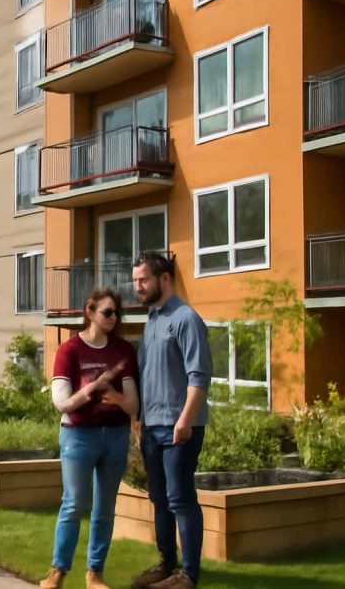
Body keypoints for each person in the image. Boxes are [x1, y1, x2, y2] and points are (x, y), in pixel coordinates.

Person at [40, 288, 139, 589]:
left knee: (105, 506)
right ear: (90, 312)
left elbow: (134, 406)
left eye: (116, 313)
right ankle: (57, 572)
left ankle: (95, 573)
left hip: (115, 436)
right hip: (77, 436)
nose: (113, 318)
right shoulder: (69, 351)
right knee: (74, 503)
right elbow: (62, 403)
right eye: (107, 312)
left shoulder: (123, 350)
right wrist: (93, 387)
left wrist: (118, 398)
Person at [131, 252, 212, 589]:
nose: (138, 287)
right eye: (135, 281)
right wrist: (139, 423)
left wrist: (184, 422)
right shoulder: (151, 321)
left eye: (143, 280)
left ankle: (189, 575)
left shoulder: (185, 318)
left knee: (180, 498)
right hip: (152, 428)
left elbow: (199, 376)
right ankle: (166, 563)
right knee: (159, 498)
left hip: (180, 428)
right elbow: (148, 377)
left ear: (164, 279)